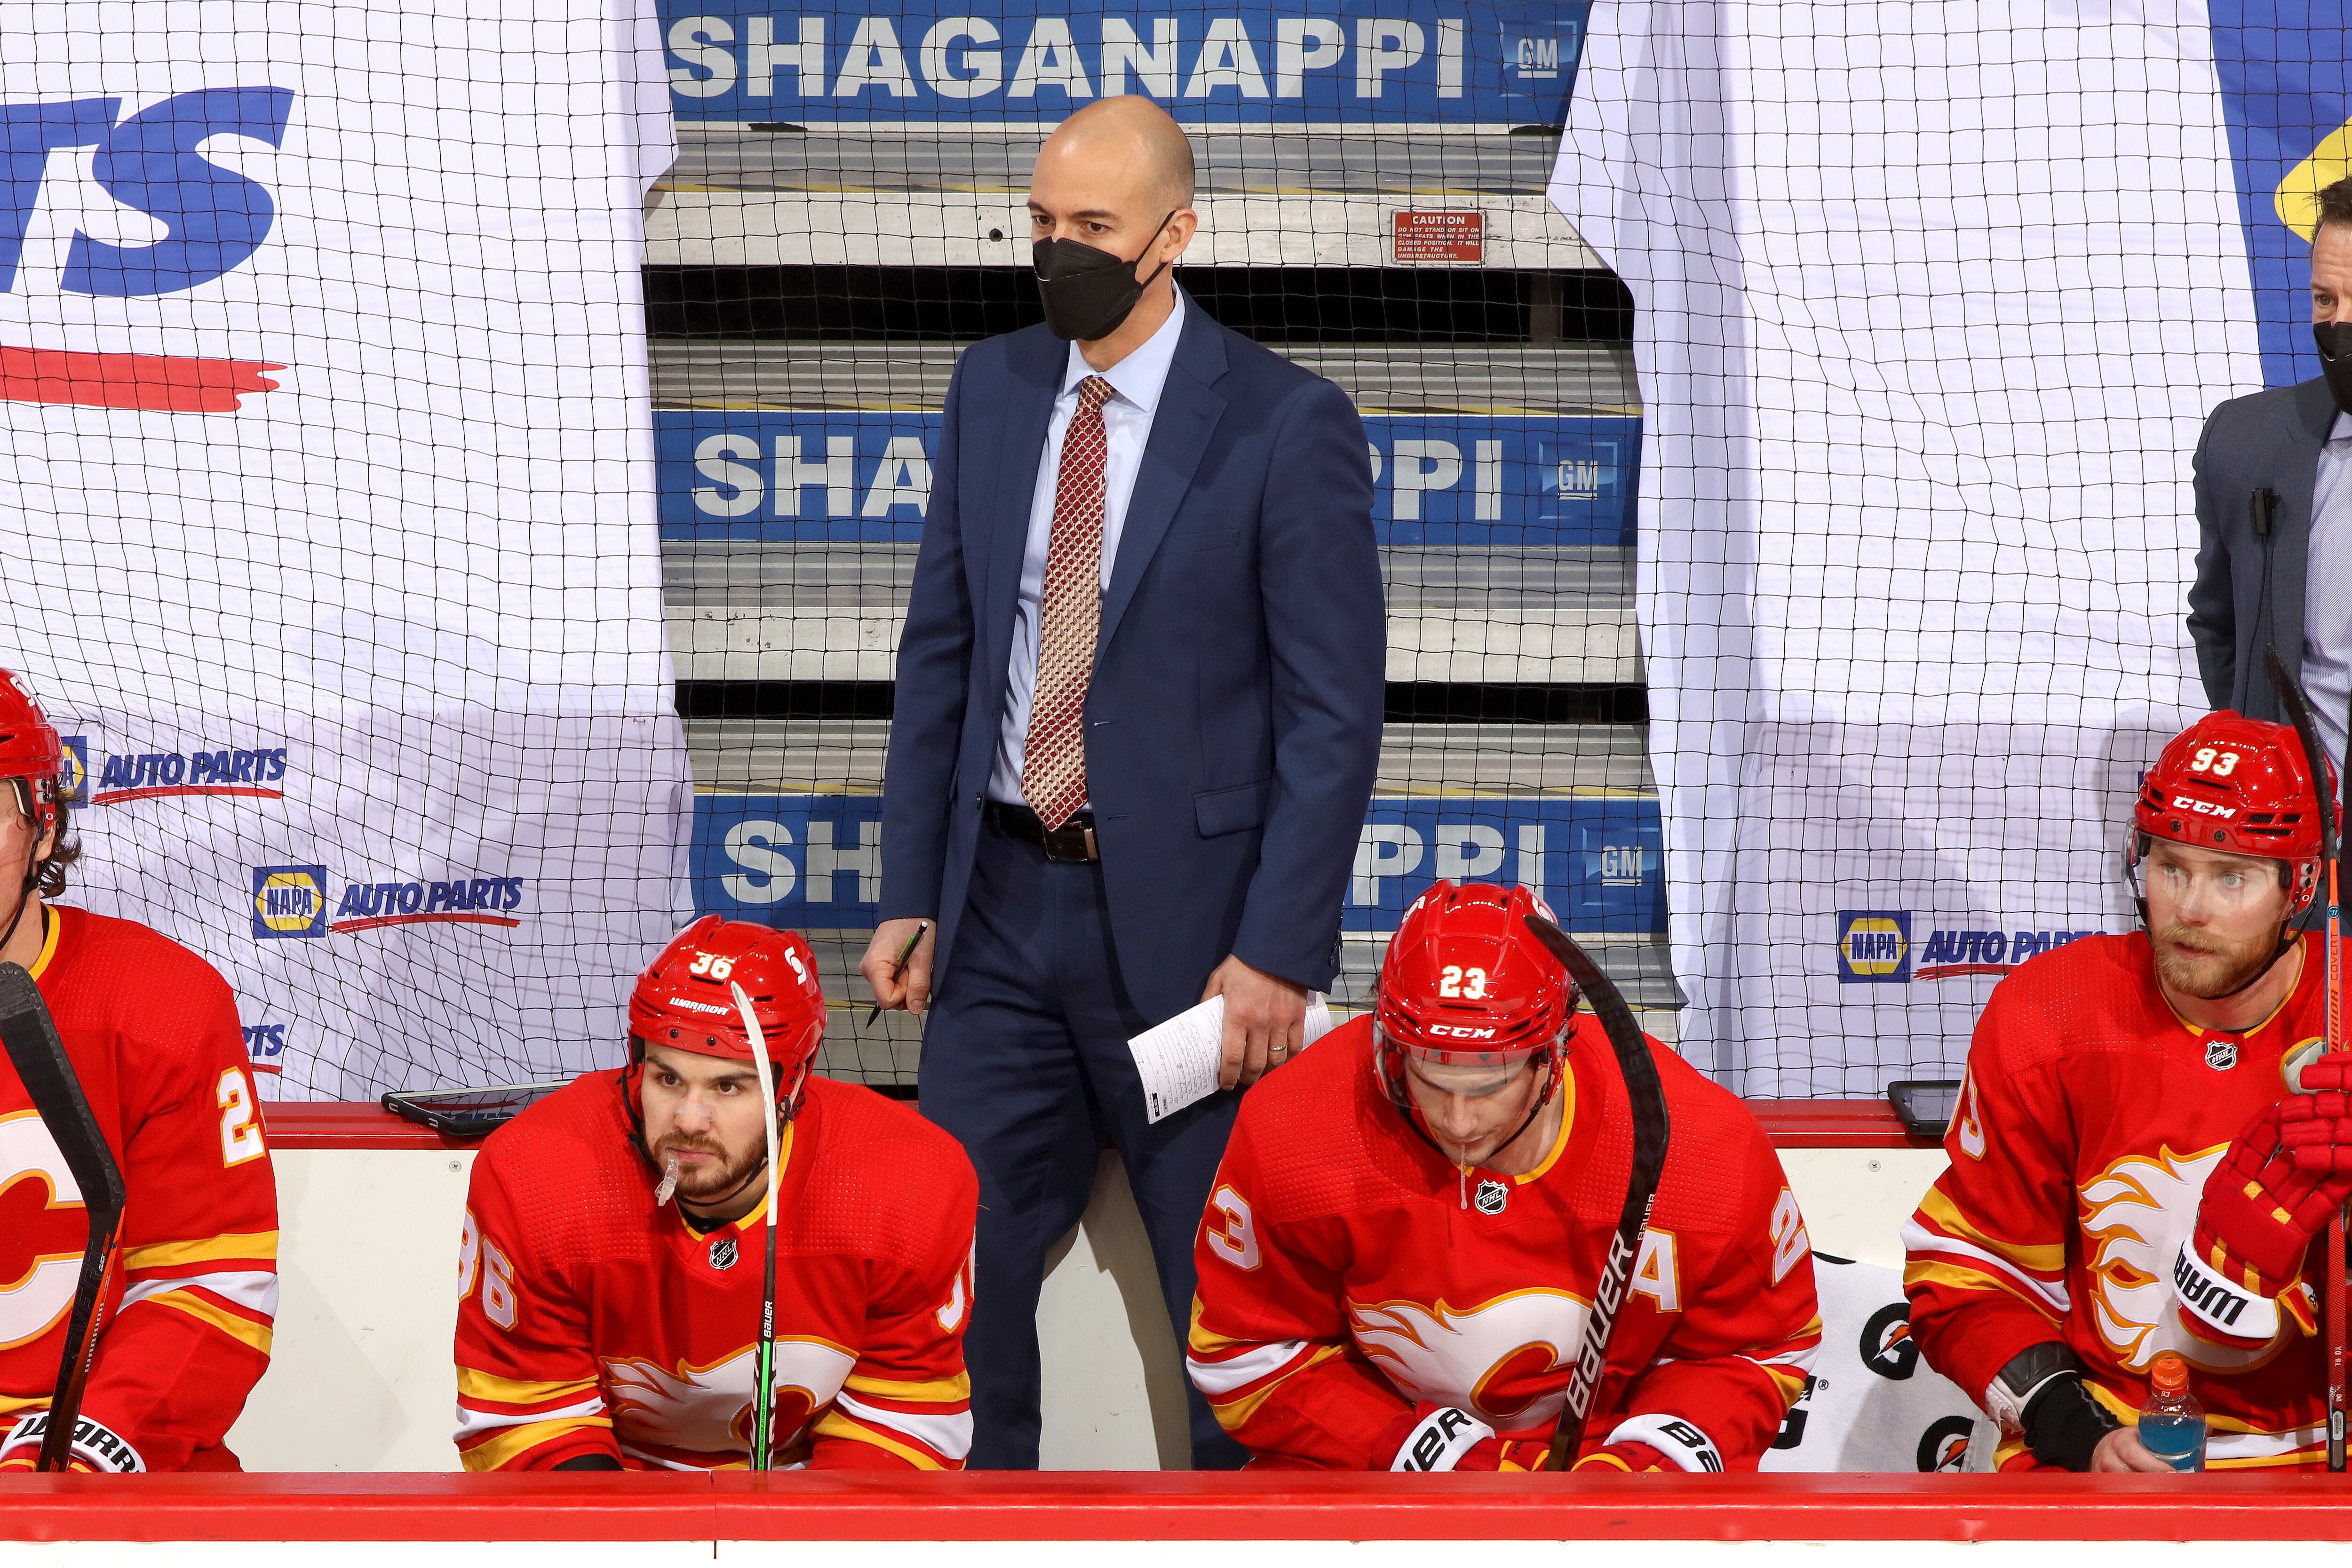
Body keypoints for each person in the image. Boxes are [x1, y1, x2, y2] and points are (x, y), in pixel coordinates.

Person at [861, 95, 1385, 1469]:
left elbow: (1333, 720)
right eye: (1038, 222)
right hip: (992, 926)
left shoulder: (1286, 423)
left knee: (1228, 1315)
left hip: (1196, 952)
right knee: (950, 1286)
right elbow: (944, 655)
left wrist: (1277, 950)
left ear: (1174, 233)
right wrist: (910, 889)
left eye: (1089, 227)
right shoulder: (991, 386)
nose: (1054, 252)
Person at [1186, 882, 1822, 1472]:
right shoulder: (1299, 1126)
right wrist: (1416, 1450)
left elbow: (1760, 1351)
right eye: (1430, 1082)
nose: (1459, 1122)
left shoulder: (1703, 1148)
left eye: (1490, 1086)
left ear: (1554, 1053)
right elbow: (1244, 1353)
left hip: (1614, 1473)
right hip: (1376, 1471)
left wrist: (1645, 1463)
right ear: (1389, 1044)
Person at [1905, 711, 2352, 1471]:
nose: (2189, 907)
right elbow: (1967, 1275)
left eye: (2231, 875)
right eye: (2170, 864)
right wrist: (2079, 1437)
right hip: (2115, 1435)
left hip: (2322, 1454)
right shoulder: (2051, 1011)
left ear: (2302, 885)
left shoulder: (2342, 1015)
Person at [453, 915, 978, 1471]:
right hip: (614, 1486)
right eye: (668, 1079)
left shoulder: (909, 1178)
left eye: (727, 1085)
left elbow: (898, 1425)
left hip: (809, 1494)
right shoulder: (537, 1171)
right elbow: (531, 1422)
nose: (689, 1119)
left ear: (792, 1083)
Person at [0, 669, 278, 1473]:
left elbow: (209, 1286)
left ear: (42, 829)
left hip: (102, 1473)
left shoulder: (160, 1001)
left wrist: (76, 1451)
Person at [2189, 175, 2352, 764]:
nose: (2338, 327)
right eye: (2324, 299)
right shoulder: (2243, 443)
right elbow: (2219, 626)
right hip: (2298, 836)